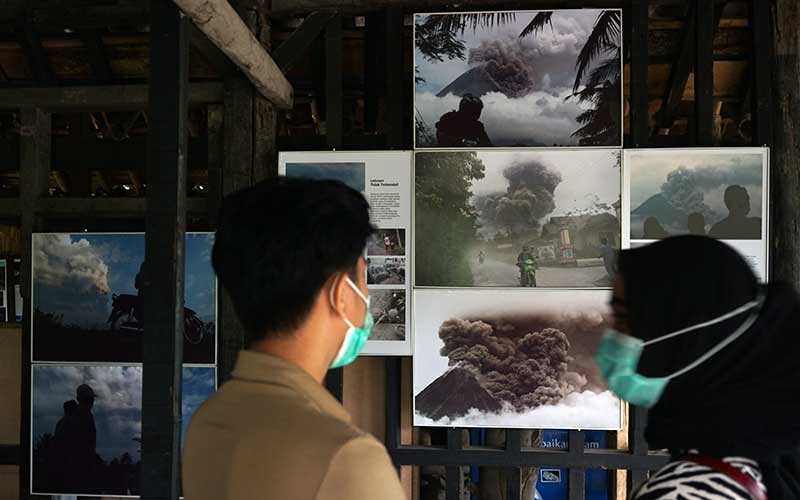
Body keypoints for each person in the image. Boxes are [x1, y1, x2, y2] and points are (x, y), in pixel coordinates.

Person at [184, 177, 405, 500]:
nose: (367, 294)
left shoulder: (209, 419)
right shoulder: (347, 457)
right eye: (363, 275)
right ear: (342, 294)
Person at [597, 236, 800, 499]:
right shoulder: (776, 457)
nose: (612, 335)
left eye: (623, 319)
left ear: (689, 338)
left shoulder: (686, 492)